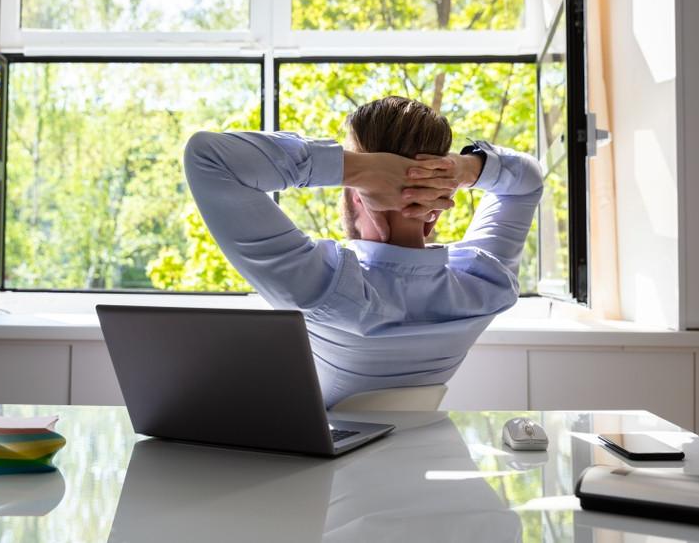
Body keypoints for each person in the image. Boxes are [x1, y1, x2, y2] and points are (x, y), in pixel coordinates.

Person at [183, 96, 543, 408]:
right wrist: (462, 169)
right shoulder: (486, 284)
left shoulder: (320, 288)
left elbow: (208, 156)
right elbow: (528, 181)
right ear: (434, 214)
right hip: (424, 454)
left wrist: (357, 168)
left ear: (360, 196)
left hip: (324, 474)